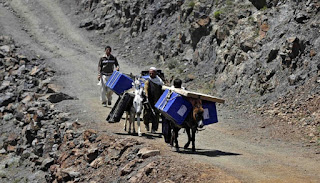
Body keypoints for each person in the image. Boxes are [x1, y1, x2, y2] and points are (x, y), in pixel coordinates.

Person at [162, 78, 183, 144]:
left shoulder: (170, 90)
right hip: (179, 112)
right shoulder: (183, 90)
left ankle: (169, 138)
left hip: (169, 111)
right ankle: (170, 138)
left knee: (167, 124)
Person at [143, 67, 164, 133]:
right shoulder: (148, 81)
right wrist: (146, 95)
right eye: (150, 73)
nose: (151, 74)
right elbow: (145, 88)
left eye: (152, 73)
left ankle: (154, 128)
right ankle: (146, 124)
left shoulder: (159, 81)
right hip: (149, 100)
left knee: (156, 115)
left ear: (155, 73)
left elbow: (162, 89)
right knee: (146, 113)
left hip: (157, 100)